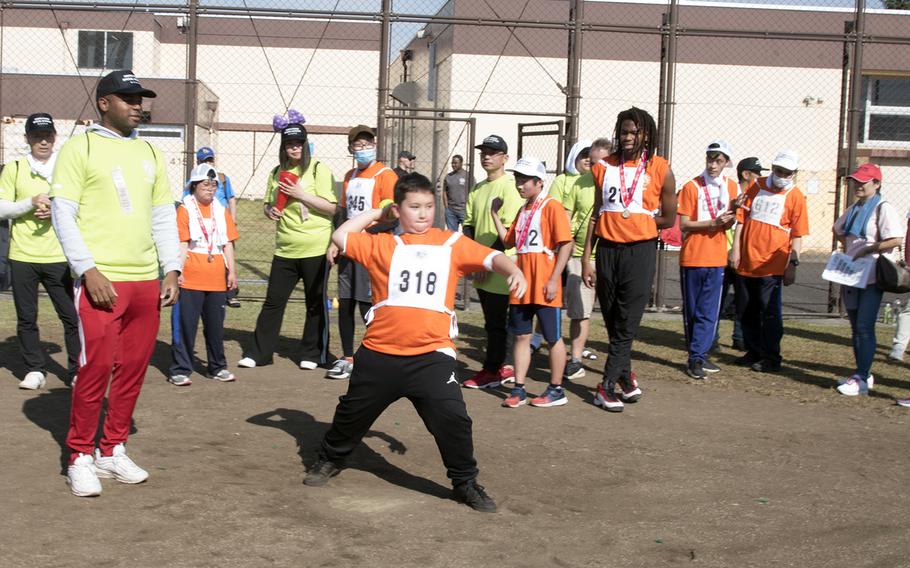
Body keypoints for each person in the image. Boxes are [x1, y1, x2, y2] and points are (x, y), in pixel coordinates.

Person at [303, 173, 527, 514]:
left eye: (428, 206)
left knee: (453, 419)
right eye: (414, 207)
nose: (423, 213)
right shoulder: (382, 245)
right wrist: (379, 214)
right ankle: (330, 458)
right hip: (380, 354)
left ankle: (465, 482)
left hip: (431, 357)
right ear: (399, 209)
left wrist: (514, 270)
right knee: (351, 415)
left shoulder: (451, 243)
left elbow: (491, 258)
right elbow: (341, 235)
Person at [50, 69, 180, 497]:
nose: (137, 105)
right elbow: (62, 213)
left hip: (145, 280)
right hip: (101, 280)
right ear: (104, 103)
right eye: (128, 98)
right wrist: (87, 268)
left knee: (132, 371)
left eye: (140, 98)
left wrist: (171, 268)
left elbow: (163, 215)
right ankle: (80, 456)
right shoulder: (79, 147)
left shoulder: (151, 153)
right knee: (95, 369)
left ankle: (112, 449)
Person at [581, 107, 677, 412]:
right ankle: (625, 378)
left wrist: (642, 224)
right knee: (612, 319)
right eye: (624, 131)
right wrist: (586, 258)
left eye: (635, 132)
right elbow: (596, 214)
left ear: (646, 134)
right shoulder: (603, 167)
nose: (628, 137)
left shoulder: (661, 168)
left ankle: (605, 386)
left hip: (641, 251)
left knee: (628, 321)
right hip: (608, 250)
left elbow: (669, 217)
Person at [237, 119, 336, 371]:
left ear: (306, 145)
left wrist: (301, 194)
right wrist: (269, 210)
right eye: (289, 144)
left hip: (315, 247)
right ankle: (259, 353)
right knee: (273, 302)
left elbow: (332, 207)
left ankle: (311, 354)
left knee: (314, 303)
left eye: (298, 144)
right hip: (285, 249)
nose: (294, 149)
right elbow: (269, 203)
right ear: (283, 147)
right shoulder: (275, 172)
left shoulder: (318, 169)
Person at [0, 113, 80, 389]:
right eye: (36, 136)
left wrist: (54, 210)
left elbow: (80, 204)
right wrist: (30, 203)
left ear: (55, 137)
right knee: (26, 316)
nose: (42, 141)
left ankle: (76, 369)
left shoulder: (65, 167)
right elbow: (2, 207)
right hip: (23, 255)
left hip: (58, 256)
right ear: (27, 138)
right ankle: (34, 369)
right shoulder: (15, 168)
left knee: (70, 315)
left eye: (47, 136)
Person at [490, 157, 572, 407]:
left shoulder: (551, 206)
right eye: (517, 179)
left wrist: (554, 278)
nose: (520, 185)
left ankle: (557, 389)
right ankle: (519, 387)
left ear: (539, 182)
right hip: (522, 282)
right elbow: (508, 241)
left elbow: (566, 243)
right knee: (521, 336)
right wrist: (494, 213)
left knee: (552, 337)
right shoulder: (523, 210)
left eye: (524, 180)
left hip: (544, 280)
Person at [325, 125, 398, 380]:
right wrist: (335, 242)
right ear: (351, 149)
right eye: (359, 145)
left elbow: (392, 217)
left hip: (372, 249)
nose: (364, 148)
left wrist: (369, 234)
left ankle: (376, 357)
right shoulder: (349, 176)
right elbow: (343, 213)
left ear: (375, 145)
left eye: (368, 144)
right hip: (350, 248)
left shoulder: (385, 175)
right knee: (345, 302)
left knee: (369, 304)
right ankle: (347, 358)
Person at [731, 150, 809, 373]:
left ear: (793, 173)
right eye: (778, 170)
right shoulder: (757, 186)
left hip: (772, 264)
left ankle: (771, 356)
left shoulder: (795, 197)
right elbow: (742, 219)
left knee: (770, 312)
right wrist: (736, 249)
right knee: (746, 309)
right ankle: (753, 350)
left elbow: (797, 234)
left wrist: (792, 264)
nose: (781, 175)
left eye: (786, 172)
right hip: (747, 260)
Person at [461, 135, 525, 389]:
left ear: (505, 158)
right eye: (484, 151)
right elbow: (468, 225)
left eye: (493, 152)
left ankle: (493, 370)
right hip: (481, 265)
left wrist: (486, 263)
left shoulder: (509, 186)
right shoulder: (478, 188)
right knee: (492, 321)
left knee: (497, 322)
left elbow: (509, 233)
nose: (486, 156)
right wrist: (472, 261)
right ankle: (500, 365)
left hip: (501, 267)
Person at [832, 163, 901, 396]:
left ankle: (861, 377)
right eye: (856, 181)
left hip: (871, 275)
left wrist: (866, 250)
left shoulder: (883, 208)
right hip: (851, 274)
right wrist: (849, 248)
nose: (858, 185)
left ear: (877, 184)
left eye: (864, 182)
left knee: (864, 326)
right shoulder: (854, 207)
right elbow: (838, 229)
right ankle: (863, 373)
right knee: (855, 325)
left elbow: (895, 239)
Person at [169, 163, 239, 386]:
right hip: (191, 275)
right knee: (186, 325)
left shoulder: (221, 210)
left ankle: (217, 366)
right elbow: (181, 243)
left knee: (215, 326)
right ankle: (180, 368)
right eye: (205, 184)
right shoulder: (185, 208)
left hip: (216, 275)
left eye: (214, 184)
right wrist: (177, 272)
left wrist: (232, 273)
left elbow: (228, 243)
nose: (210, 188)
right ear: (194, 186)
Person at [677, 140, 740, 379]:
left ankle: (698, 356)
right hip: (693, 256)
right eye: (710, 159)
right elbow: (684, 224)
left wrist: (729, 218)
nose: (713, 165)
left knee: (709, 311)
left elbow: (732, 220)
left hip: (716, 257)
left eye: (719, 160)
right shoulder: (692, 187)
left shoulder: (731, 187)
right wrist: (712, 223)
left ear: (726, 163)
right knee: (692, 311)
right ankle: (696, 354)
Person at [560, 137, 612, 380]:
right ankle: (576, 359)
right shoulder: (579, 184)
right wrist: (567, 248)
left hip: (611, 255)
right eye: (592, 162)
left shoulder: (617, 185)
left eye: (601, 162)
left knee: (615, 312)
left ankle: (618, 361)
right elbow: (567, 218)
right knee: (580, 310)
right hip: (580, 255)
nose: (595, 168)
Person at [720, 157, 768, 352]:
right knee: (719, 301)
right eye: (758, 173)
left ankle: (740, 338)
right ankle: (712, 339)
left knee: (743, 301)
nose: (761, 177)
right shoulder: (731, 193)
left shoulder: (757, 196)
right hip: (723, 253)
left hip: (743, 256)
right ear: (746, 174)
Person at [191, 146, 241, 308]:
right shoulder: (195, 180)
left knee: (228, 258)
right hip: (203, 226)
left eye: (210, 159)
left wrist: (232, 220)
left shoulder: (222, 178)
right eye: (204, 160)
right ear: (198, 162)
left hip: (221, 224)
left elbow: (231, 198)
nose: (208, 163)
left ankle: (231, 293)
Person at [443, 154, 473, 231]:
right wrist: (446, 207)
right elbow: (444, 192)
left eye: (456, 163)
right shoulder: (448, 177)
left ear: (461, 163)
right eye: (452, 163)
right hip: (451, 211)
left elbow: (474, 192)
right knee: (452, 235)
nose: (453, 165)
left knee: (467, 234)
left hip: (464, 210)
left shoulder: (468, 176)